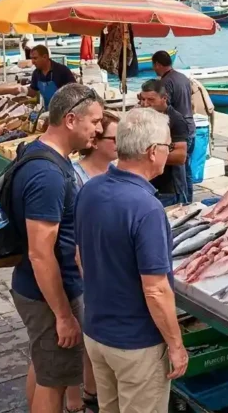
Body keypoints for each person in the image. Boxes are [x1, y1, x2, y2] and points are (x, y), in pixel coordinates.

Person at [75, 108, 188, 413]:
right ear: (153, 152)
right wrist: (176, 346)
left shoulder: (89, 189)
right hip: (136, 344)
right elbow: (155, 290)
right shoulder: (147, 208)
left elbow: (79, 255)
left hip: (97, 333)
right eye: (167, 146)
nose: (168, 153)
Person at [10, 84, 103, 413]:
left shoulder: (41, 153)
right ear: (71, 119)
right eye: (94, 122)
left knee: (45, 366)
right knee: (56, 383)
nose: (100, 129)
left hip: (39, 290)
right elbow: (40, 253)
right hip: (47, 295)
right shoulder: (48, 174)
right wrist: (63, 315)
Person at [151, 51, 195, 203]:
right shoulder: (182, 77)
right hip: (191, 127)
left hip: (178, 130)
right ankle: (189, 201)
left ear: (157, 64)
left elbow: (163, 107)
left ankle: (182, 202)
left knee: (178, 172)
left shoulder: (165, 82)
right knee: (186, 170)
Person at [139, 80, 190, 207]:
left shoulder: (176, 120)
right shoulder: (144, 117)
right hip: (147, 185)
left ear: (164, 98)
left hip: (168, 190)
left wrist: (144, 155)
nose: (145, 104)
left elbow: (180, 156)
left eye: (151, 100)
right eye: (142, 99)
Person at [73, 113, 119, 186]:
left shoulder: (118, 170)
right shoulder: (74, 176)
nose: (120, 143)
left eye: (121, 138)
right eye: (115, 139)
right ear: (94, 142)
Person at [28, 45, 77, 110]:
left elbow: (75, 91)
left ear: (45, 57)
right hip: (48, 109)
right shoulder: (36, 73)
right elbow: (33, 91)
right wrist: (21, 91)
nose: (32, 62)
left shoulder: (62, 70)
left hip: (64, 110)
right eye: (31, 58)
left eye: (35, 58)